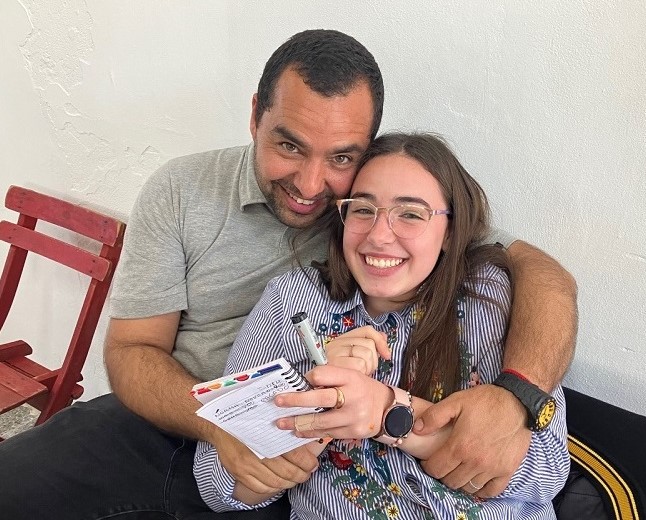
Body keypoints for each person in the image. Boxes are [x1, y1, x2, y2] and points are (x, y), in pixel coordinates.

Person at [0, 29, 576, 519]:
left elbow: (542, 274)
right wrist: (229, 428)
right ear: (256, 116)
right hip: (192, 421)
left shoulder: (433, 249)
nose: (309, 183)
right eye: (290, 146)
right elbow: (133, 352)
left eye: (341, 157)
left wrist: (516, 397)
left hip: (297, 464)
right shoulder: (187, 197)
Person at [194, 132, 570, 518]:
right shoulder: (291, 299)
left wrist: (386, 412)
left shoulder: (490, 296)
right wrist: (316, 398)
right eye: (362, 209)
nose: (378, 236)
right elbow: (218, 485)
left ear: (450, 231)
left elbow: (548, 470)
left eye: (410, 214)